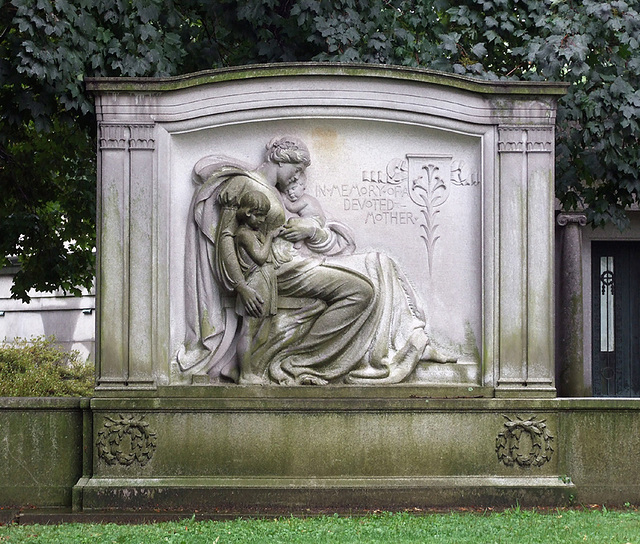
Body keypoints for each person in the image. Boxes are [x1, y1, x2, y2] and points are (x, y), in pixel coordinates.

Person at [179, 136, 434, 385]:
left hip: (291, 264)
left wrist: (306, 230)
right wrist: (240, 287)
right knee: (361, 291)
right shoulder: (245, 186)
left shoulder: (271, 192)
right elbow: (226, 240)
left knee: (378, 263)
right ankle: (298, 361)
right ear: (280, 159)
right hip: (279, 271)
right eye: (297, 169)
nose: (298, 177)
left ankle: (411, 339)